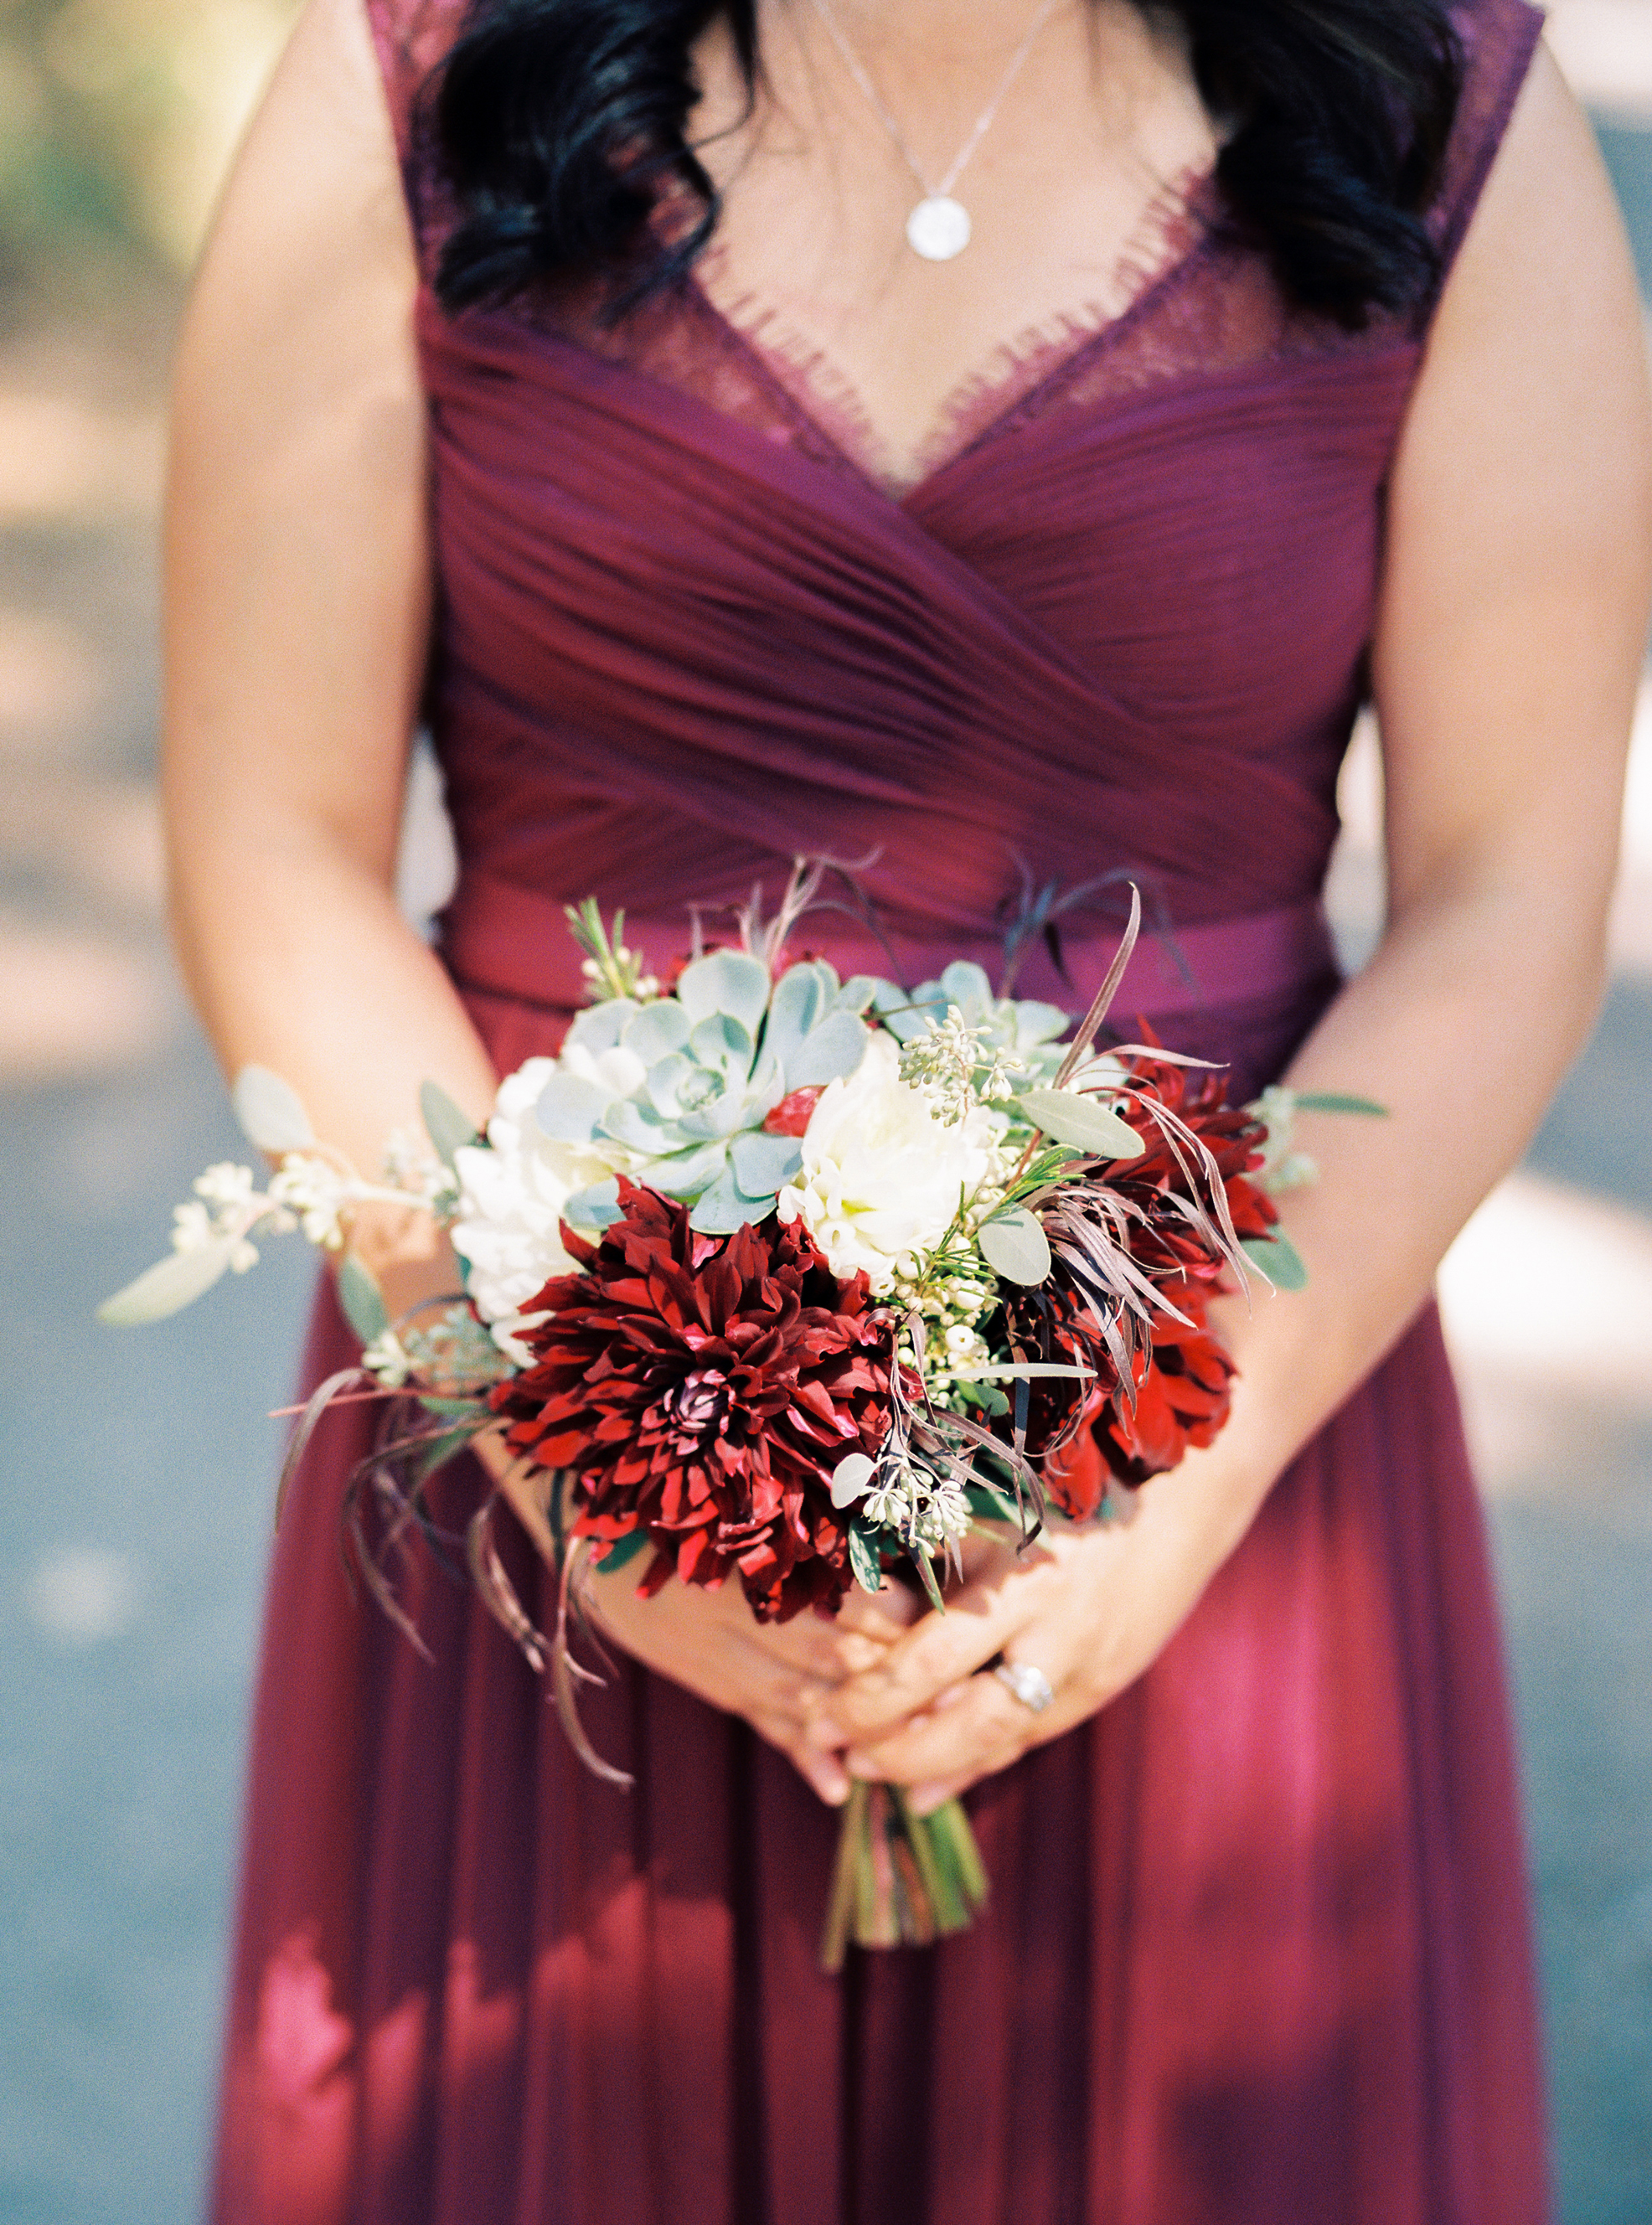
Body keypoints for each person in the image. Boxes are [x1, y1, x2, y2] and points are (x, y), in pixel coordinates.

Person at [167, 0, 1649, 2217]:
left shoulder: (1444, 111)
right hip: (558, 1459)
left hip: (1190, 1434)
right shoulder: (420, 81)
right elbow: (269, 842)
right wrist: (581, 1449)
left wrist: (1198, 1449)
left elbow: (1511, 890)